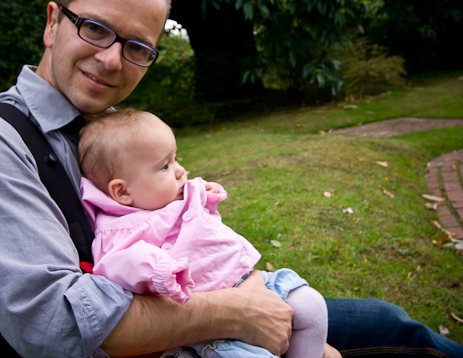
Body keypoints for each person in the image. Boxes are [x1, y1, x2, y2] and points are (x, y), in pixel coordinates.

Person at [0, 0, 463, 358]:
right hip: (160, 344)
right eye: (95, 28)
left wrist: (239, 280)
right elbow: (52, 329)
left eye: (137, 47)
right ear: (53, 21)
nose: (111, 60)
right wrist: (236, 313)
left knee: (391, 324)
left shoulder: (100, 128)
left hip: (203, 308)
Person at [78, 108, 328, 358]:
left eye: (176, 158)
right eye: (165, 166)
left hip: (245, 282)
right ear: (122, 192)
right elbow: (113, 265)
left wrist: (206, 195)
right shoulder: (118, 230)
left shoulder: (166, 197)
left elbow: (199, 209)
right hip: (207, 328)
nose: (180, 170)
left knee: (311, 306)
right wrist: (158, 269)